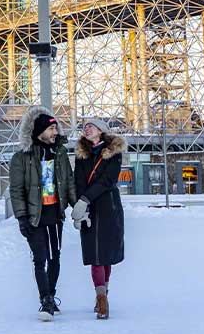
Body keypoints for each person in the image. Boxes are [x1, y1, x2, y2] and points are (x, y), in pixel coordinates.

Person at [9, 106, 77, 321]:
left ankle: (51, 295)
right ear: (40, 131)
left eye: (56, 128)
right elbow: (16, 190)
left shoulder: (60, 153)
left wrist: (78, 207)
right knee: (40, 259)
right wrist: (22, 218)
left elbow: (69, 182)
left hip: (55, 213)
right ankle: (45, 299)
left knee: (55, 256)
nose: (55, 132)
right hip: (34, 216)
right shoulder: (21, 158)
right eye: (52, 128)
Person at [71, 118, 125, 320]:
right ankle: (101, 297)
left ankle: (103, 296)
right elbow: (78, 180)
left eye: (91, 126)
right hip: (89, 208)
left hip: (108, 207)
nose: (87, 128)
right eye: (85, 127)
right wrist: (79, 206)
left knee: (106, 254)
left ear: (101, 131)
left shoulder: (114, 152)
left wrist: (84, 199)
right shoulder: (81, 154)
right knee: (95, 255)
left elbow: (108, 180)